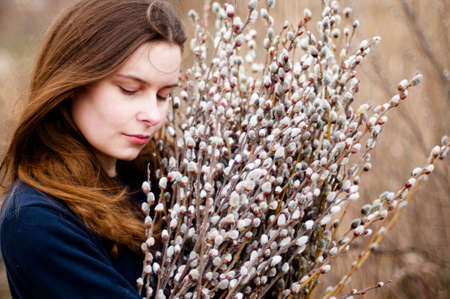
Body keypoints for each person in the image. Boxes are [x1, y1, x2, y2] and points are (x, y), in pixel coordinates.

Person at [0, 0, 186, 298]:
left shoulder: (164, 178)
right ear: (73, 83)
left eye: (164, 95)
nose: (153, 115)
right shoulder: (37, 221)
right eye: (129, 89)